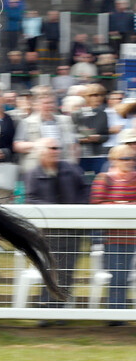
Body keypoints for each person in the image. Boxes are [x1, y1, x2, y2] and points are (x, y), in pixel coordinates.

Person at [23, 138, 89, 320]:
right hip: (48, 234)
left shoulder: (72, 169)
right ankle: (44, 309)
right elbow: (31, 200)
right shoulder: (32, 174)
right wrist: (57, 211)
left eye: (58, 147)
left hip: (72, 232)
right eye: (52, 148)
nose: (56, 151)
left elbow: (85, 191)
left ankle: (59, 310)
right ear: (42, 151)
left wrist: (76, 210)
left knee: (67, 271)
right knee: (49, 270)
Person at [90, 144, 136, 320]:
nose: (129, 162)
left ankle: (121, 313)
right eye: (124, 158)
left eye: (131, 158)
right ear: (114, 160)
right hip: (111, 237)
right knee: (116, 275)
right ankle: (115, 314)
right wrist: (122, 206)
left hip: (132, 236)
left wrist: (122, 205)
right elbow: (96, 204)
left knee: (124, 275)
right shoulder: (104, 179)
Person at [72, 84, 109, 176]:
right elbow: (71, 134)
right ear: (87, 97)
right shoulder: (77, 114)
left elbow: (106, 135)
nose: (98, 98)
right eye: (94, 95)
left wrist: (99, 138)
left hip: (98, 155)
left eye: (101, 95)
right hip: (81, 155)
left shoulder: (103, 114)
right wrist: (82, 139)